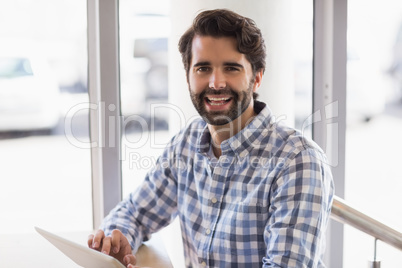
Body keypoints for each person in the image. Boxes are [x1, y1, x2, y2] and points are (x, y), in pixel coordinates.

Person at [88, 9, 334, 268]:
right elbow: (134, 213)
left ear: (257, 77)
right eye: (203, 68)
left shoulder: (297, 160)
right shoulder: (187, 143)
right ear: (188, 77)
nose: (216, 83)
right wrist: (117, 239)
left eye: (231, 68)